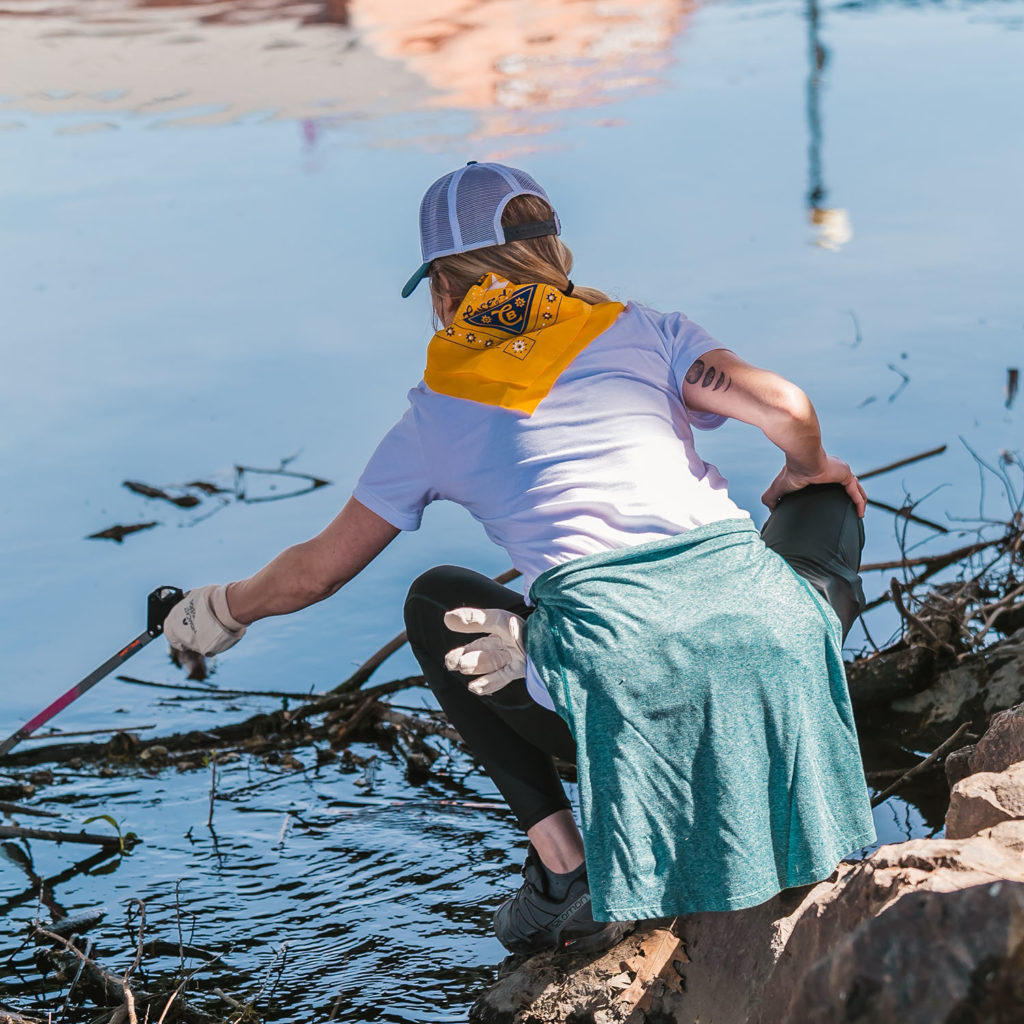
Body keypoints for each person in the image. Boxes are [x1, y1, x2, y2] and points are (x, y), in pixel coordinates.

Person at [163, 161, 876, 958]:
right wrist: (810, 467)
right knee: (821, 496)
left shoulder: (436, 413)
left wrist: (215, 613)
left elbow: (315, 573)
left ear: (443, 290)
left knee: (436, 600)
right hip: (768, 643)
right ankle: (786, 684)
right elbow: (785, 406)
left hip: (620, 686)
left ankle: (563, 868)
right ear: (557, 257)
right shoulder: (644, 329)